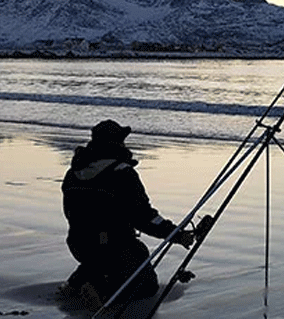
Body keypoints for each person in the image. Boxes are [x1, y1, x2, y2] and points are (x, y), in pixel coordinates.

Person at [58, 119, 194, 310]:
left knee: (99, 259)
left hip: (78, 244)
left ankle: (78, 282)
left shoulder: (72, 173)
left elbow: (70, 213)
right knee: (146, 285)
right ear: (115, 144)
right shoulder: (122, 173)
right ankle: (103, 293)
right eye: (121, 140)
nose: (124, 144)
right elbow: (144, 218)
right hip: (114, 246)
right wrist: (176, 234)